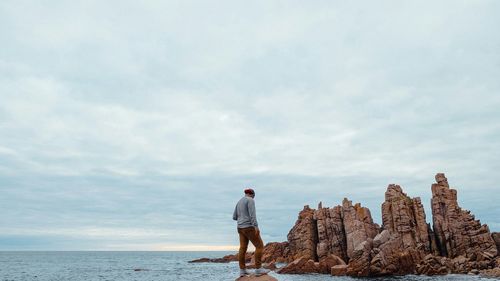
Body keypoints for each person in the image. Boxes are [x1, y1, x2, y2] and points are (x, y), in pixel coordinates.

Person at [233, 188, 269, 277]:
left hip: (240, 228)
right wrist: (256, 226)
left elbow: (234, 217)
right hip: (249, 227)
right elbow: (252, 215)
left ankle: (242, 270)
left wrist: (242, 218)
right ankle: (258, 269)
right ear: (252, 194)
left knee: (242, 248)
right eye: (254, 196)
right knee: (260, 246)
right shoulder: (250, 200)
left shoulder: (239, 201)